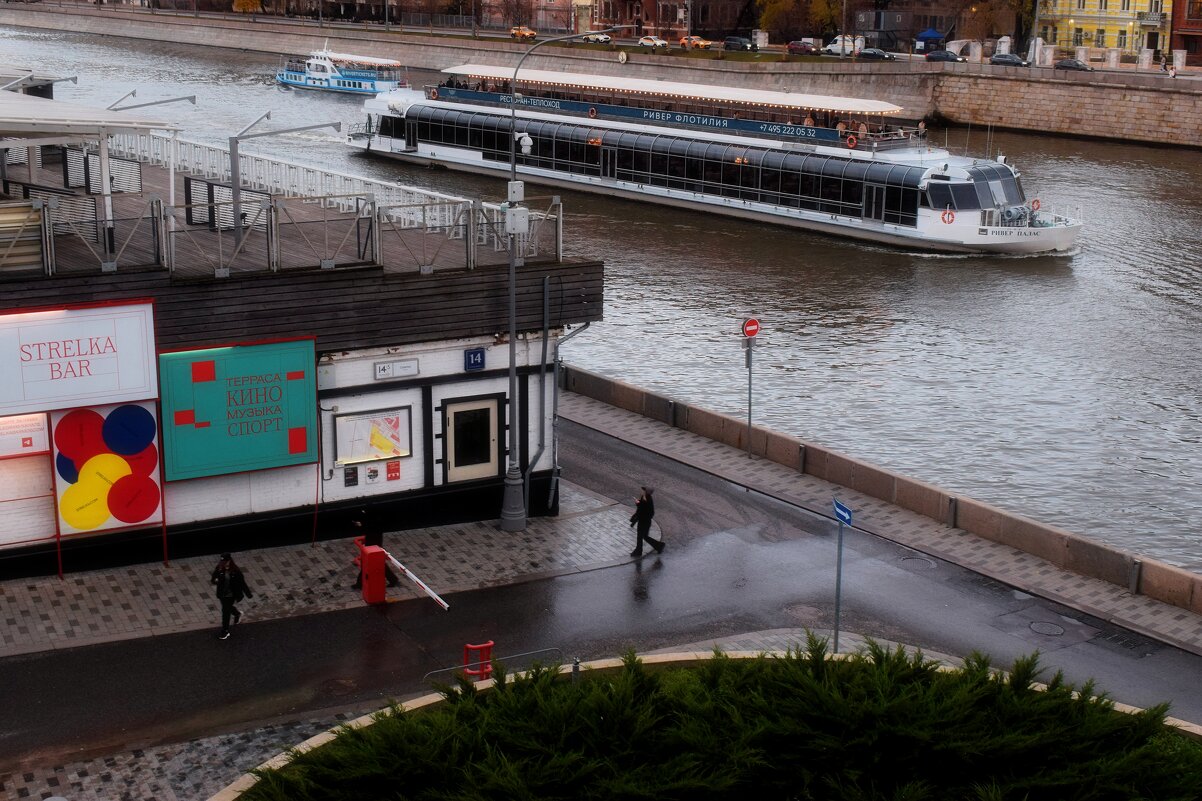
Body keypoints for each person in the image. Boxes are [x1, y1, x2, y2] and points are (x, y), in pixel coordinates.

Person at [352, 508, 399, 589]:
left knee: (366, 563)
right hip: (375, 544)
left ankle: (360, 584)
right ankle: (393, 579)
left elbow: (368, 529)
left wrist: (360, 525)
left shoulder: (372, 522)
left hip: (371, 545)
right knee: (378, 563)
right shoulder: (377, 519)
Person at [211, 553, 252, 640]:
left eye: (225, 561)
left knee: (225, 611)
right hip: (222, 594)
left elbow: (242, 583)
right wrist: (216, 581)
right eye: (222, 561)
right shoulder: (219, 568)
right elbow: (213, 579)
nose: (223, 563)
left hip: (231, 595)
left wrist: (248, 594)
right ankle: (237, 614)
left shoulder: (235, 571)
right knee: (227, 608)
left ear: (229, 560)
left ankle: (225, 631)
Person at [629, 486, 665, 557]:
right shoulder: (647, 499)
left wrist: (637, 504)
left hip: (643, 522)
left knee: (640, 537)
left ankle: (638, 551)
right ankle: (659, 546)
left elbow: (641, 510)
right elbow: (648, 511)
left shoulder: (645, 500)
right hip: (646, 522)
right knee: (644, 536)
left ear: (646, 492)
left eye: (643, 490)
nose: (642, 491)